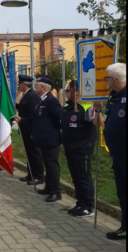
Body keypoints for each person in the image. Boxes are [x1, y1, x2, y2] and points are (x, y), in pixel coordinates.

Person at [15, 75, 62, 203]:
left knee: (52, 166)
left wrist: (49, 131)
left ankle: (55, 192)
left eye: (37, 85)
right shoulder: (42, 100)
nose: (35, 87)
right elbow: (36, 119)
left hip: (50, 138)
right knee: (47, 164)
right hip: (42, 138)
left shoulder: (50, 101)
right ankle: (48, 187)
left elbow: (59, 118)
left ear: (42, 87)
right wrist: (22, 119)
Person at [61, 80, 98, 218]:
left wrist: (97, 107)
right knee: (76, 178)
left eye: (68, 91)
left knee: (84, 178)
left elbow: (97, 123)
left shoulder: (87, 106)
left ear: (76, 92)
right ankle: (80, 203)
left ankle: (89, 206)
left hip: (83, 149)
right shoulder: (68, 107)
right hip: (70, 148)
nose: (66, 93)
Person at [104, 63, 127, 240]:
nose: (105, 80)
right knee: (122, 192)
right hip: (118, 155)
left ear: (114, 79)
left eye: (106, 78)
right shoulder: (114, 97)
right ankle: (125, 227)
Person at [16, 75, 44, 185]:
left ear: (25, 85)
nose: (19, 85)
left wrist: (22, 119)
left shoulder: (32, 96)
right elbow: (23, 108)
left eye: (20, 83)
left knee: (34, 153)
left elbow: (34, 115)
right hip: (25, 128)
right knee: (29, 152)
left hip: (30, 129)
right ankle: (31, 173)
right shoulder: (25, 95)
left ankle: (38, 176)